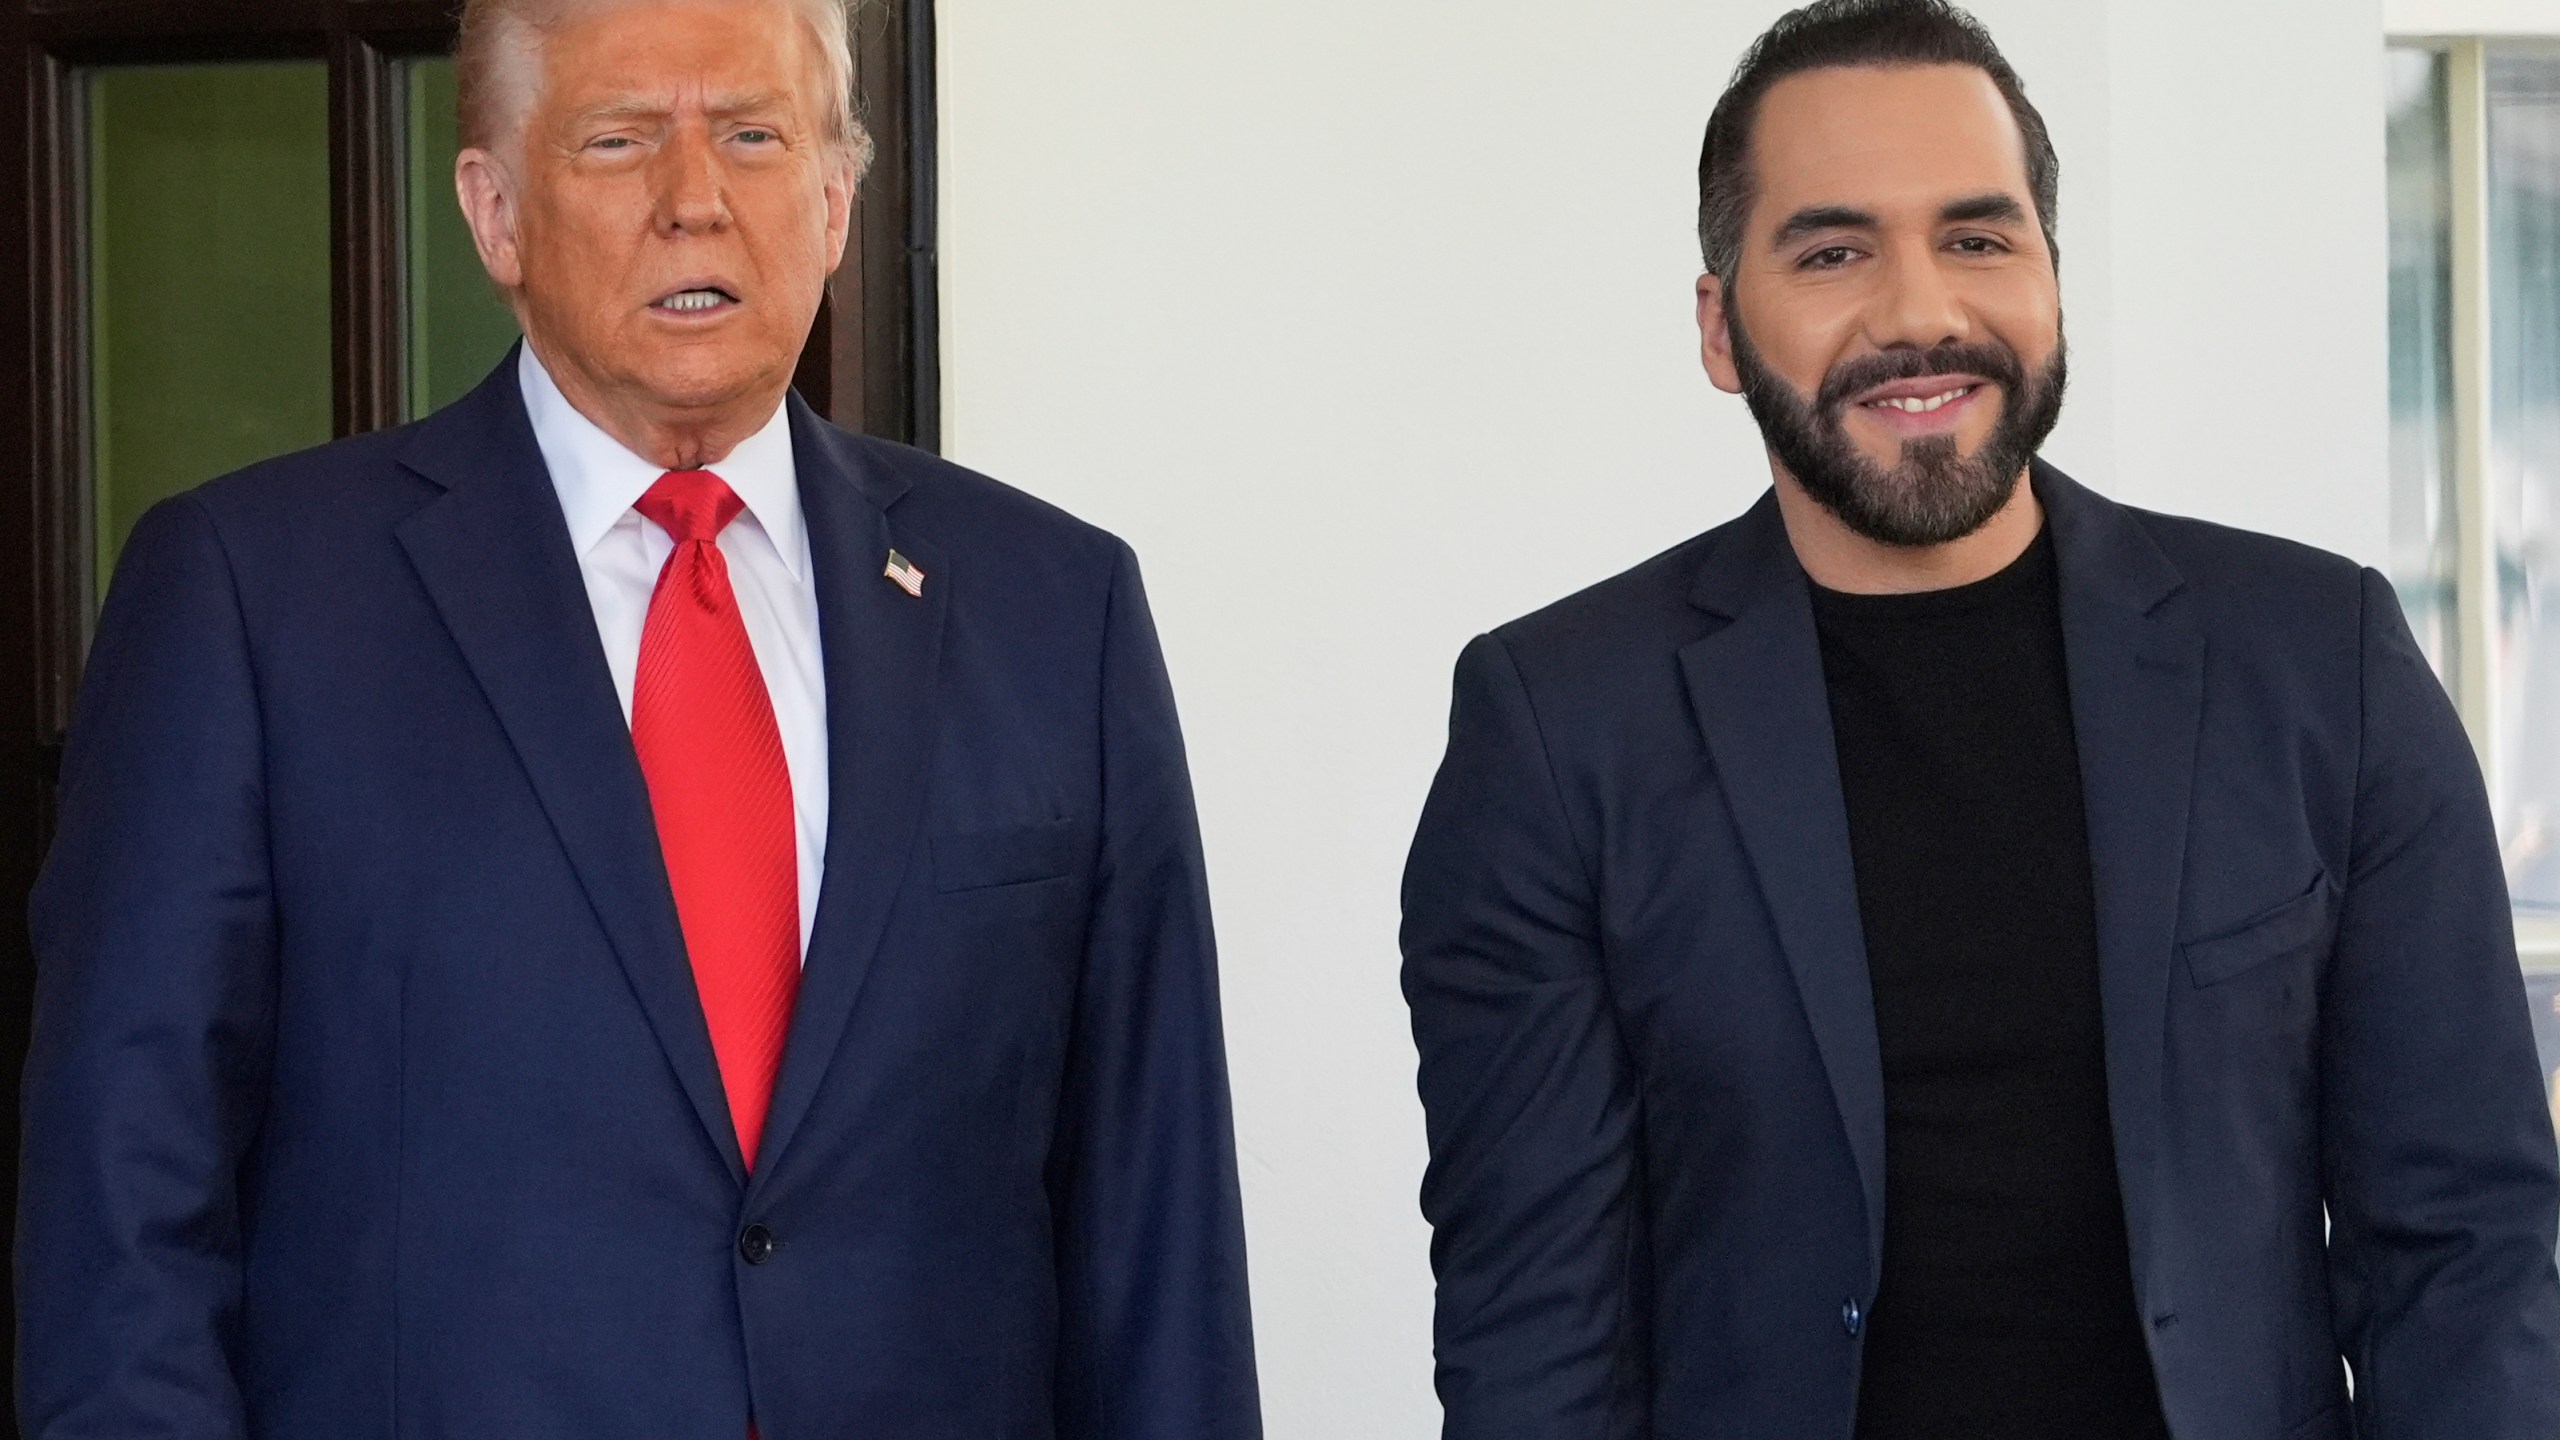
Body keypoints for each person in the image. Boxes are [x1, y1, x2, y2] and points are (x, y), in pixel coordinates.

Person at [16, 1, 1261, 1435]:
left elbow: (1157, 1224)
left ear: (837, 200)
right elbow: (126, 1222)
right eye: (618, 142)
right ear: (495, 213)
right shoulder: (252, 598)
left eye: (754, 136)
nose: (695, 200)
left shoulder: (1053, 606)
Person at [1400, 2, 2560, 1437]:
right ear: (1719, 327)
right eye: (1832, 252)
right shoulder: (1558, 730)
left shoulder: (2322, 663)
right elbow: (1535, 1335)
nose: (1919, 314)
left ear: (2052, 283)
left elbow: (2465, 1246)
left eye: (1977, 238)